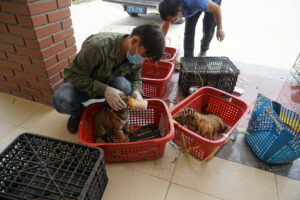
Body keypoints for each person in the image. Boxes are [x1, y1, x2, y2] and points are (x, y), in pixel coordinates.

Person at [52, 24, 165, 133]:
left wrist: (136, 92)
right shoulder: (98, 47)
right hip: (84, 86)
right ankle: (79, 113)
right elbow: (71, 76)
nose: (143, 60)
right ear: (135, 41)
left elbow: (136, 79)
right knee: (61, 100)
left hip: (108, 84)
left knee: (124, 87)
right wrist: (105, 90)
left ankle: (108, 112)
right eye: (144, 56)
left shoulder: (135, 54)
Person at [159, 0, 225, 57]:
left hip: (212, 3)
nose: (172, 22)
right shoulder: (170, 6)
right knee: (189, 30)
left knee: (208, 29)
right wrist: (159, 44)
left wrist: (220, 28)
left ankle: (203, 50)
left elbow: (216, 8)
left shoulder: (195, 3)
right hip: (192, 4)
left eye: (173, 20)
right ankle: (188, 58)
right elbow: (166, 22)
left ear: (179, 10)